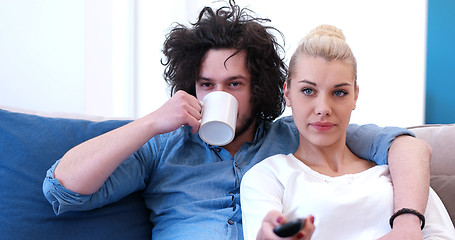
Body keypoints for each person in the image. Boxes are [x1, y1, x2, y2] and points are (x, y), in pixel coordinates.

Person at [42, 1, 432, 239]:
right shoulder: (163, 147)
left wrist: (407, 222)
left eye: (234, 84)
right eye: (206, 84)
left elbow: (405, 146)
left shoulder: (298, 136)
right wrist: (150, 123)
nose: (219, 96)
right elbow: (63, 188)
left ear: (260, 87)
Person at [240, 24, 455, 240]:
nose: (323, 108)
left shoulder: (399, 174)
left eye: (339, 92)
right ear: (287, 93)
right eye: (308, 91)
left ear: (355, 95)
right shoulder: (268, 177)